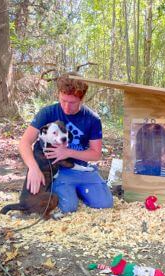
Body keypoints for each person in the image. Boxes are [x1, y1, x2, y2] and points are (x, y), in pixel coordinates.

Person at [18, 74, 113, 213]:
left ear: (82, 98)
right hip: (59, 171)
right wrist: (33, 168)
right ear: (58, 94)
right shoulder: (47, 113)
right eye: (63, 101)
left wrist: (67, 152)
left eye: (73, 103)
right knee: (68, 207)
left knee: (105, 203)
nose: (67, 108)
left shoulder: (92, 119)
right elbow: (24, 143)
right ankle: (68, 191)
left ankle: (79, 190)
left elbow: (96, 154)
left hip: (80, 168)